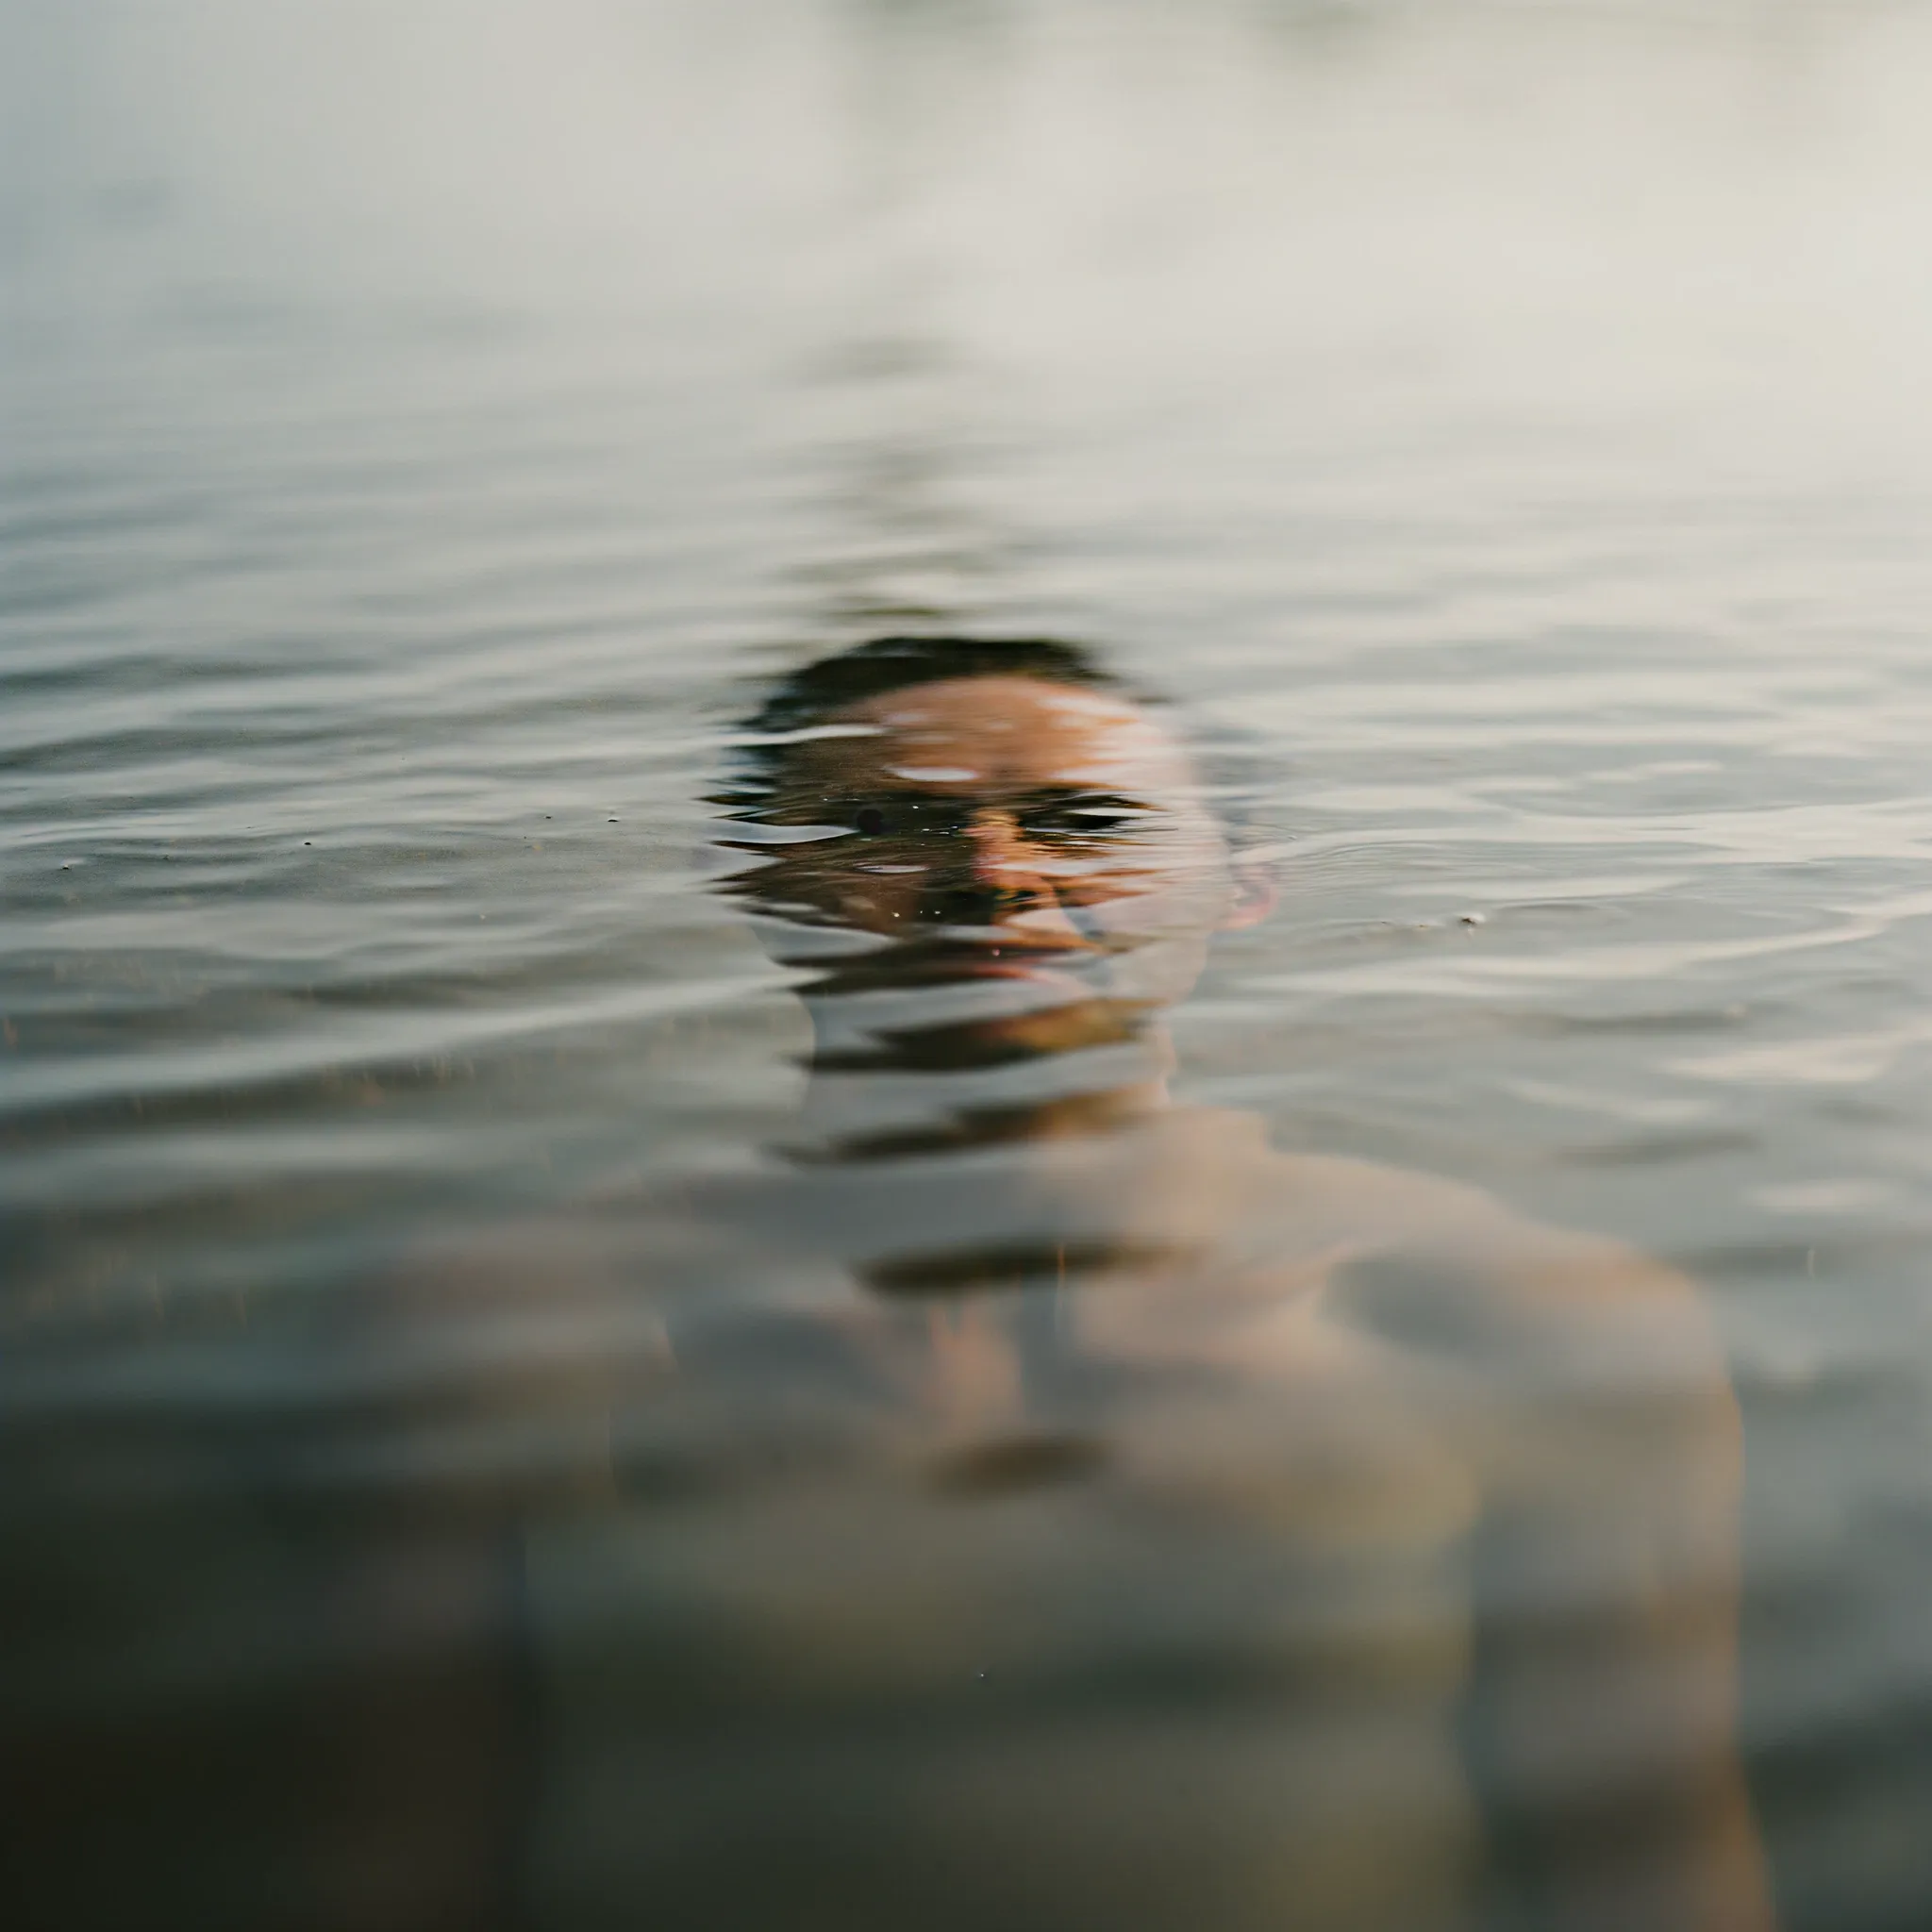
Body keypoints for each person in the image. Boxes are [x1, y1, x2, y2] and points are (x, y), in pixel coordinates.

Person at [335, 636, 1775, 1932]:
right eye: (892, 822)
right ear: (754, 879)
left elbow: (1654, 1873)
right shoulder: (523, 1320)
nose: (996, 871)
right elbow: (400, 1862)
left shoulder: (1523, 1315)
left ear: (1249, 879)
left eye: (1086, 822)